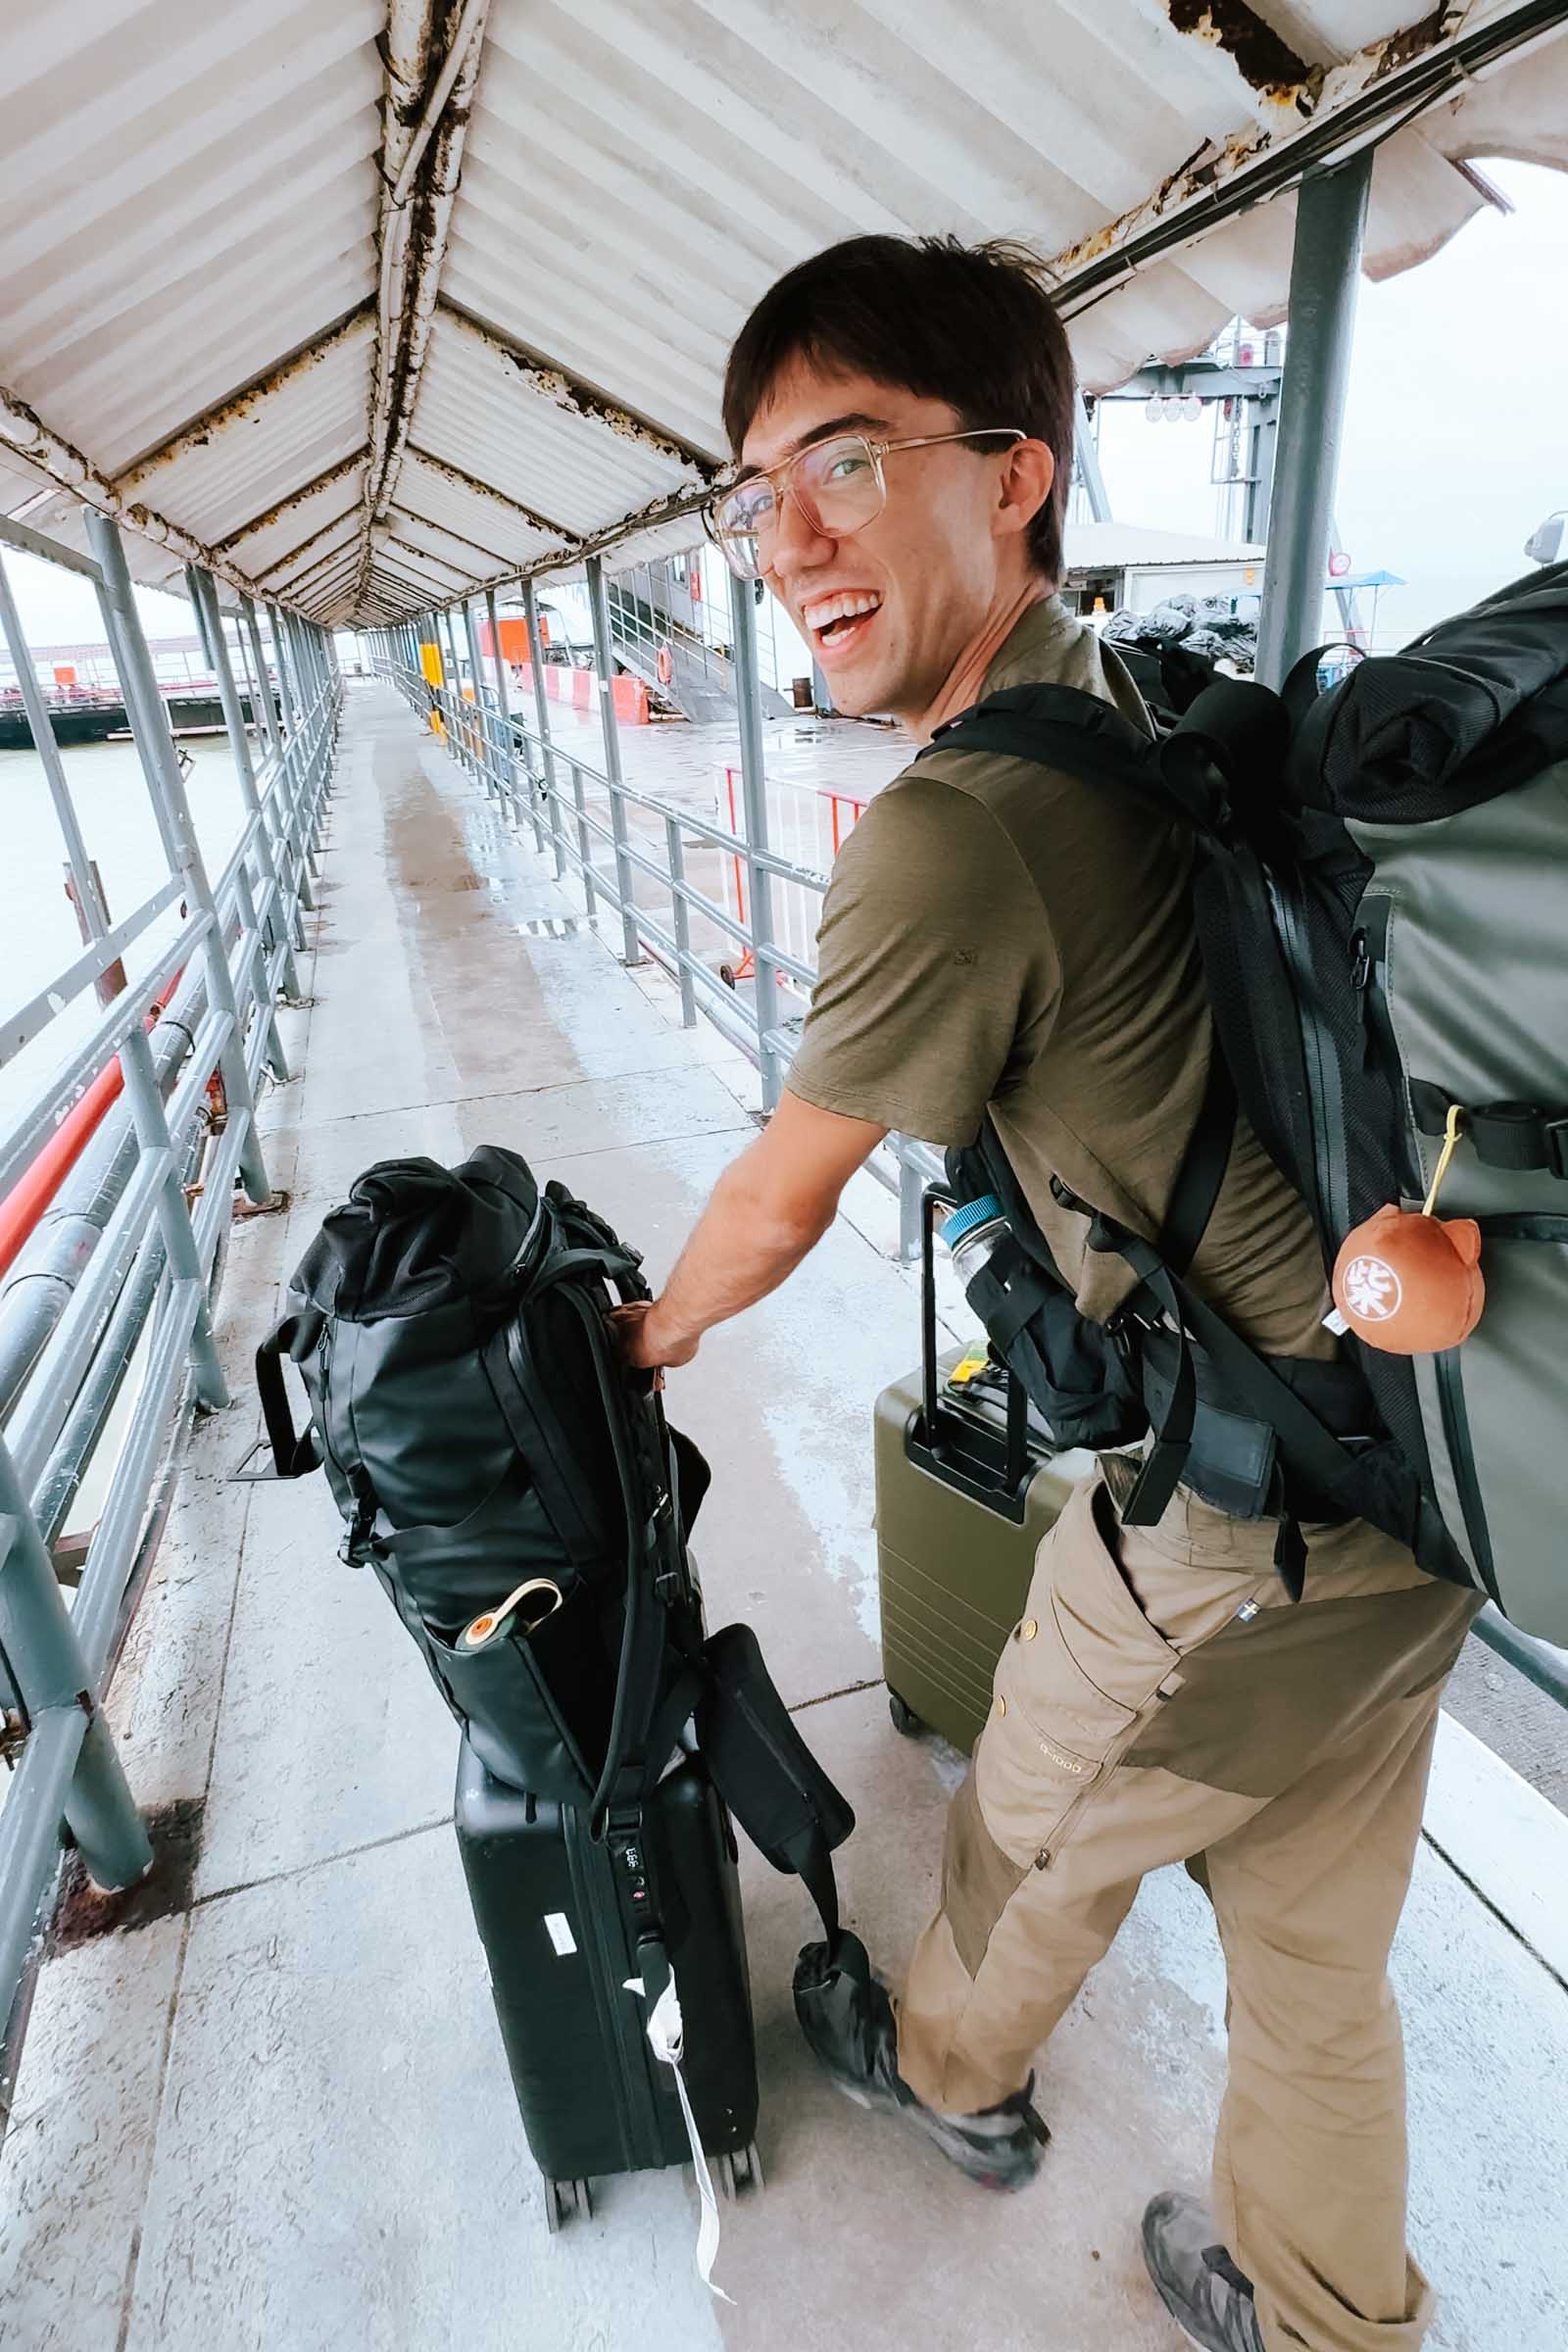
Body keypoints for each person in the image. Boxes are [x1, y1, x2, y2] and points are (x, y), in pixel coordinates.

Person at [615, 235, 1478, 2352]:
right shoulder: (1130, 701)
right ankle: (1321, 2306)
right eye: (755, 498)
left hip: (1229, 1525)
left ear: (1012, 474)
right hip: (1396, 1483)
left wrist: (630, 1341)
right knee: (1306, 1945)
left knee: (1030, 1813)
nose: (785, 543)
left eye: (841, 466)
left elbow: (778, 1200)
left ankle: (944, 2074)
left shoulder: (949, 832)